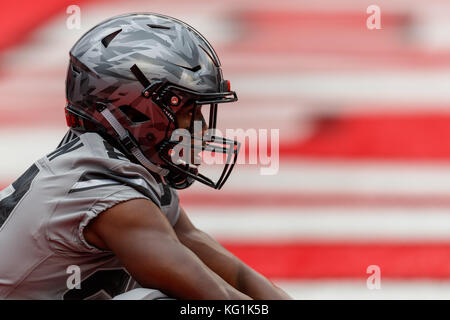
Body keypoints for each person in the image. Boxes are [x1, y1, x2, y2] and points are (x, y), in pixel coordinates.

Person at [0, 13, 292, 300]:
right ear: (133, 109)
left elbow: (233, 273)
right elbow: (212, 295)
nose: (201, 127)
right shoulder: (108, 195)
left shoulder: (113, 168)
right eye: (188, 110)